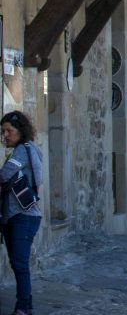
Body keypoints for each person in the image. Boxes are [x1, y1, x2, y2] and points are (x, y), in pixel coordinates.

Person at [0, 111, 43, 315]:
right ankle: (25, 305)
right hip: (14, 216)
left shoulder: (23, 151)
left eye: (9, 130)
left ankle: (24, 307)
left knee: (19, 263)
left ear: (20, 131)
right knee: (17, 263)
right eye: (3, 131)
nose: (5, 135)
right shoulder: (24, 149)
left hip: (23, 217)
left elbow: (5, 174)